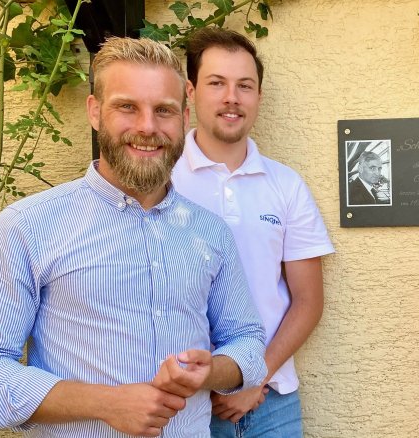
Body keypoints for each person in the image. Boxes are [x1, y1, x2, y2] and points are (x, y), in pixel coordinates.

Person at [0, 37, 267, 437]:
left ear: (183, 117)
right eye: (127, 107)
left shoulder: (209, 231)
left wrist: (210, 371)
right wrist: (108, 404)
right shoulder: (26, 227)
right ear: (95, 112)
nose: (147, 127)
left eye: (163, 110)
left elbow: (246, 340)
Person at [171, 28, 335, 437]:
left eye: (245, 85)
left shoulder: (286, 185)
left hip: (270, 403)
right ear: (190, 92)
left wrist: (253, 378)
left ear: (258, 96)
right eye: (217, 83)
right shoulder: (162, 180)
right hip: (178, 406)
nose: (232, 97)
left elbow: (308, 301)